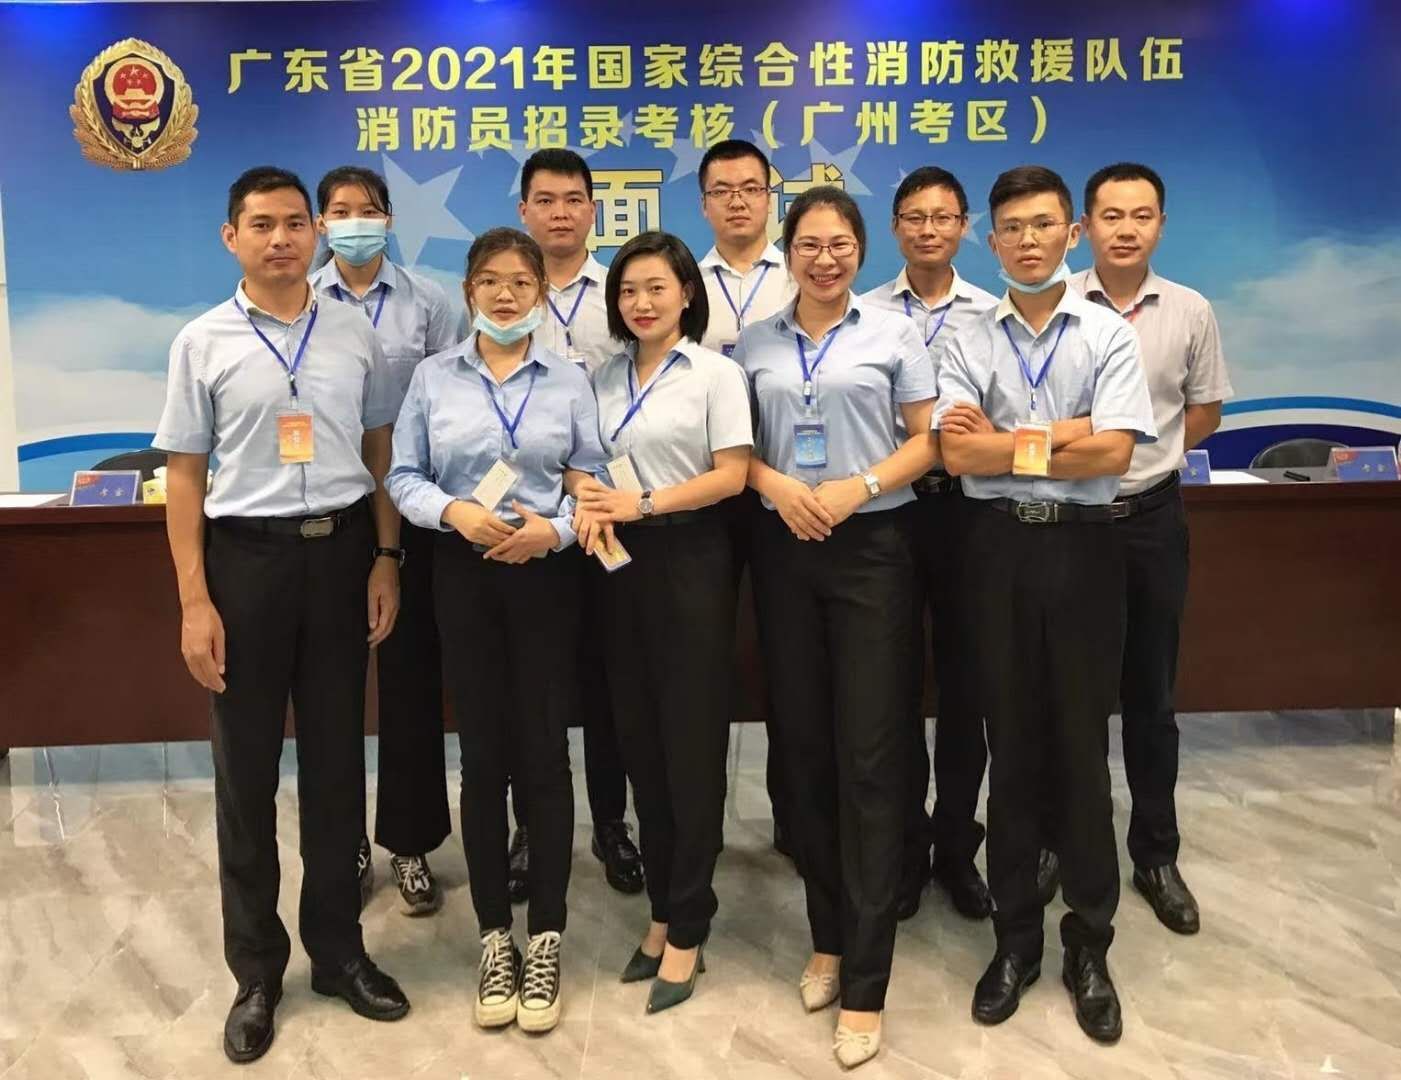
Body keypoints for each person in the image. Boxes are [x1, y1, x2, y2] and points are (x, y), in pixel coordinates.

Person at [154, 166, 411, 1065]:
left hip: (341, 553)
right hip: (246, 563)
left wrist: (385, 557)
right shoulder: (202, 342)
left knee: (337, 767)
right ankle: (257, 971)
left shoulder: (353, 332)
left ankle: (338, 953)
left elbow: (378, 448)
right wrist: (194, 599)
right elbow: (185, 475)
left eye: (296, 223)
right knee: (247, 774)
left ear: (316, 234)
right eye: (261, 225)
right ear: (231, 237)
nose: (281, 239)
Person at [935, 165, 1156, 1045]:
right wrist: (1066, 432)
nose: (1026, 241)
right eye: (1011, 228)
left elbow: (1113, 456)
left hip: (1083, 550)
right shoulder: (965, 337)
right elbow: (957, 457)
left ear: (1071, 235)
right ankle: (1014, 941)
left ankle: (1088, 944)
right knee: (1011, 747)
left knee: (1079, 749)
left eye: (1042, 225)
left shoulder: (1106, 334)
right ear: (989, 241)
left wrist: (1010, 443)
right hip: (995, 551)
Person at [386, 227, 607, 1034]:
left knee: (544, 754)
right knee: (481, 758)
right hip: (464, 572)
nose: (505, 294)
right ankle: (492, 937)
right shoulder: (432, 378)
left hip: (546, 574)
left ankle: (544, 935)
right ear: (469, 291)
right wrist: (453, 511)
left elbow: (594, 475)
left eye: (520, 282)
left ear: (541, 294)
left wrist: (555, 529)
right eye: (489, 281)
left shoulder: (569, 378)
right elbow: (402, 474)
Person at [737, 186, 938, 1069]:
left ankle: (866, 977)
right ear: (788, 253)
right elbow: (738, 451)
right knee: (805, 751)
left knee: (870, 756)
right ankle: (826, 936)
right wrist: (779, 488)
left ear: (860, 250)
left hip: (873, 548)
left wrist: (859, 487)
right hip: (786, 547)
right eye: (809, 245)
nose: (824, 258)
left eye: (839, 244)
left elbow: (926, 439)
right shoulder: (754, 343)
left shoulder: (894, 333)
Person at [570, 231, 751, 1014]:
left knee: (690, 748)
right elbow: (577, 461)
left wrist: (640, 502)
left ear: (686, 293)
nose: (640, 303)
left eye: (655, 288)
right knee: (639, 742)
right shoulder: (602, 377)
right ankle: (662, 909)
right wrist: (586, 494)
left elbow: (731, 476)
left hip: (690, 561)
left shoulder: (715, 374)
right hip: (615, 564)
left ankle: (691, 923)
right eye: (627, 291)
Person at [1066, 161, 1232, 935]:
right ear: (1084, 227)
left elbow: (1203, 411)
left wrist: (1149, 455)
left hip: (1151, 521)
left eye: (1140, 215)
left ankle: (1155, 854)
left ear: (1160, 224)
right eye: (1111, 215)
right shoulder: (1054, 305)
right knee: (1065, 694)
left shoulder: (1190, 309)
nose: (1125, 229)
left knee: (1149, 695)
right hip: (1070, 520)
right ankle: (1060, 843)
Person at [310, 164, 459, 917]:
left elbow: (459, 397)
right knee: (330, 692)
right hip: (331, 510)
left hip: (413, 511)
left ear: (390, 218)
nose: (354, 222)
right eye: (339, 211)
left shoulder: (430, 303)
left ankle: (408, 841)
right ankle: (342, 844)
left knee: (408, 685)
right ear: (320, 223)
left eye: (367, 210)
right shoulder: (302, 303)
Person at [860, 165, 997, 922]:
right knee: (895, 686)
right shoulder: (868, 313)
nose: (928, 230)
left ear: (964, 227)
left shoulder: (992, 313)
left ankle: (957, 848)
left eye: (943, 217)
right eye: (914, 217)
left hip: (971, 513)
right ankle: (906, 849)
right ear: (894, 228)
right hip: (895, 511)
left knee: (966, 687)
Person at [513, 148, 642, 900]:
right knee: (532, 685)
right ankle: (531, 827)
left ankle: (612, 824)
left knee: (607, 681)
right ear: (523, 211)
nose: (559, 213)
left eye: (572, 200)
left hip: (607, 516)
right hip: (526, 520)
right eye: (545, 200)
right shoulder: (504, 294)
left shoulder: (619, 294)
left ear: (594, 210)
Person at [694, 138, 798, 859]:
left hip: (786, 492)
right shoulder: (680, 281)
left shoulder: (802, 273)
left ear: (770, 198)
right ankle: (695, 825)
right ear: (703, 203)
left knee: (788, 657)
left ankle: (794, 813)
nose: (737, 201)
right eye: (722, 190)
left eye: (750, 188)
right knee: (701, 658)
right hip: (702, 494)